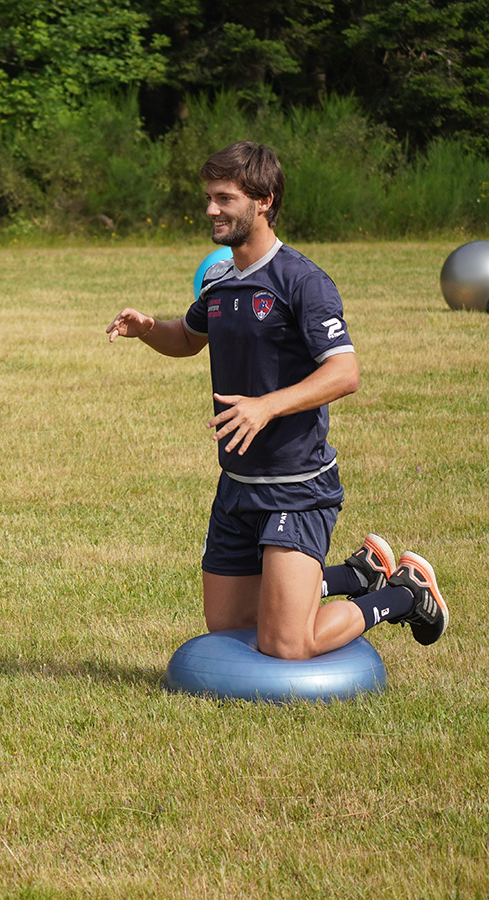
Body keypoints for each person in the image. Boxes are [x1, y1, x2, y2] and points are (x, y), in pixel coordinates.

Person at [106, 141, 448, 660]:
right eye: (209, 197)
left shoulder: (302, 281)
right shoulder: (220, 278)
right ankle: (358, 573)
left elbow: (345, 373)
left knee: (287, 643)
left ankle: (404, 594)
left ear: (263, 201)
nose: (210, 210)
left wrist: (266, 405)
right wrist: (150, 328)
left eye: (224, 198)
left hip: (296, 487)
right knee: (229, 628)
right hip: (237, 487)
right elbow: (188, 338)